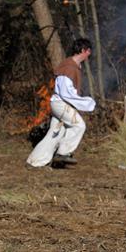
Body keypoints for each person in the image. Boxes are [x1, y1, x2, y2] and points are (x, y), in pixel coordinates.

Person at [26, 38, 96, 168]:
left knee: (55, 133)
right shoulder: (69, 67)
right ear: (82, 50)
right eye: (88, 51)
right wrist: (87, 103)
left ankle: (35, 161)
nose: (89, 54)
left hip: (62, 104)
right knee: (79, 125)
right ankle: (63, 153)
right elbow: (65, 93)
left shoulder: (74, 66)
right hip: (61, 104)